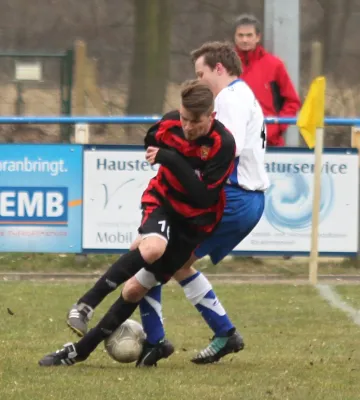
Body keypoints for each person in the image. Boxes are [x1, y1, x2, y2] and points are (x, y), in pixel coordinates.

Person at [38, 80, 236, 367]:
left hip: (194, 224)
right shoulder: (170, 123)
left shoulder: (223, 144)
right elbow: (151, 139)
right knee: (152, 248)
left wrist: (170, 158)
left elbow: (203, 196)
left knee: (133, 290)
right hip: (163, 202)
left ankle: (79, 351)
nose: (188, 127)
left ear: (211, 117)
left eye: (195, 122)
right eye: (183, 118)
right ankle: (84, 305)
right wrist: (160, 152)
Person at [136, 41, 270, 365]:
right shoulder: (239, 95)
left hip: (234, 197)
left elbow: (227, 149)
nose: (197, 81)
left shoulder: (230, 98)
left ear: (219, 69)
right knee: (176, 263)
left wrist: (175, 158)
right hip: (242, 199)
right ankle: (223, 332)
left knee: (156, 258)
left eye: (201, 73)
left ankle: (156, 340)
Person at [233, 13, 301, 147]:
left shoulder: (274, 65)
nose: (245, 40)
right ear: (235, 37)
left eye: (249, 35)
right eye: (240, 35)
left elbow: (292, 101)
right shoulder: (224, 65)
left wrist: (275, 128)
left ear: (258, 37)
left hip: (269, 143)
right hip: (233, 141)